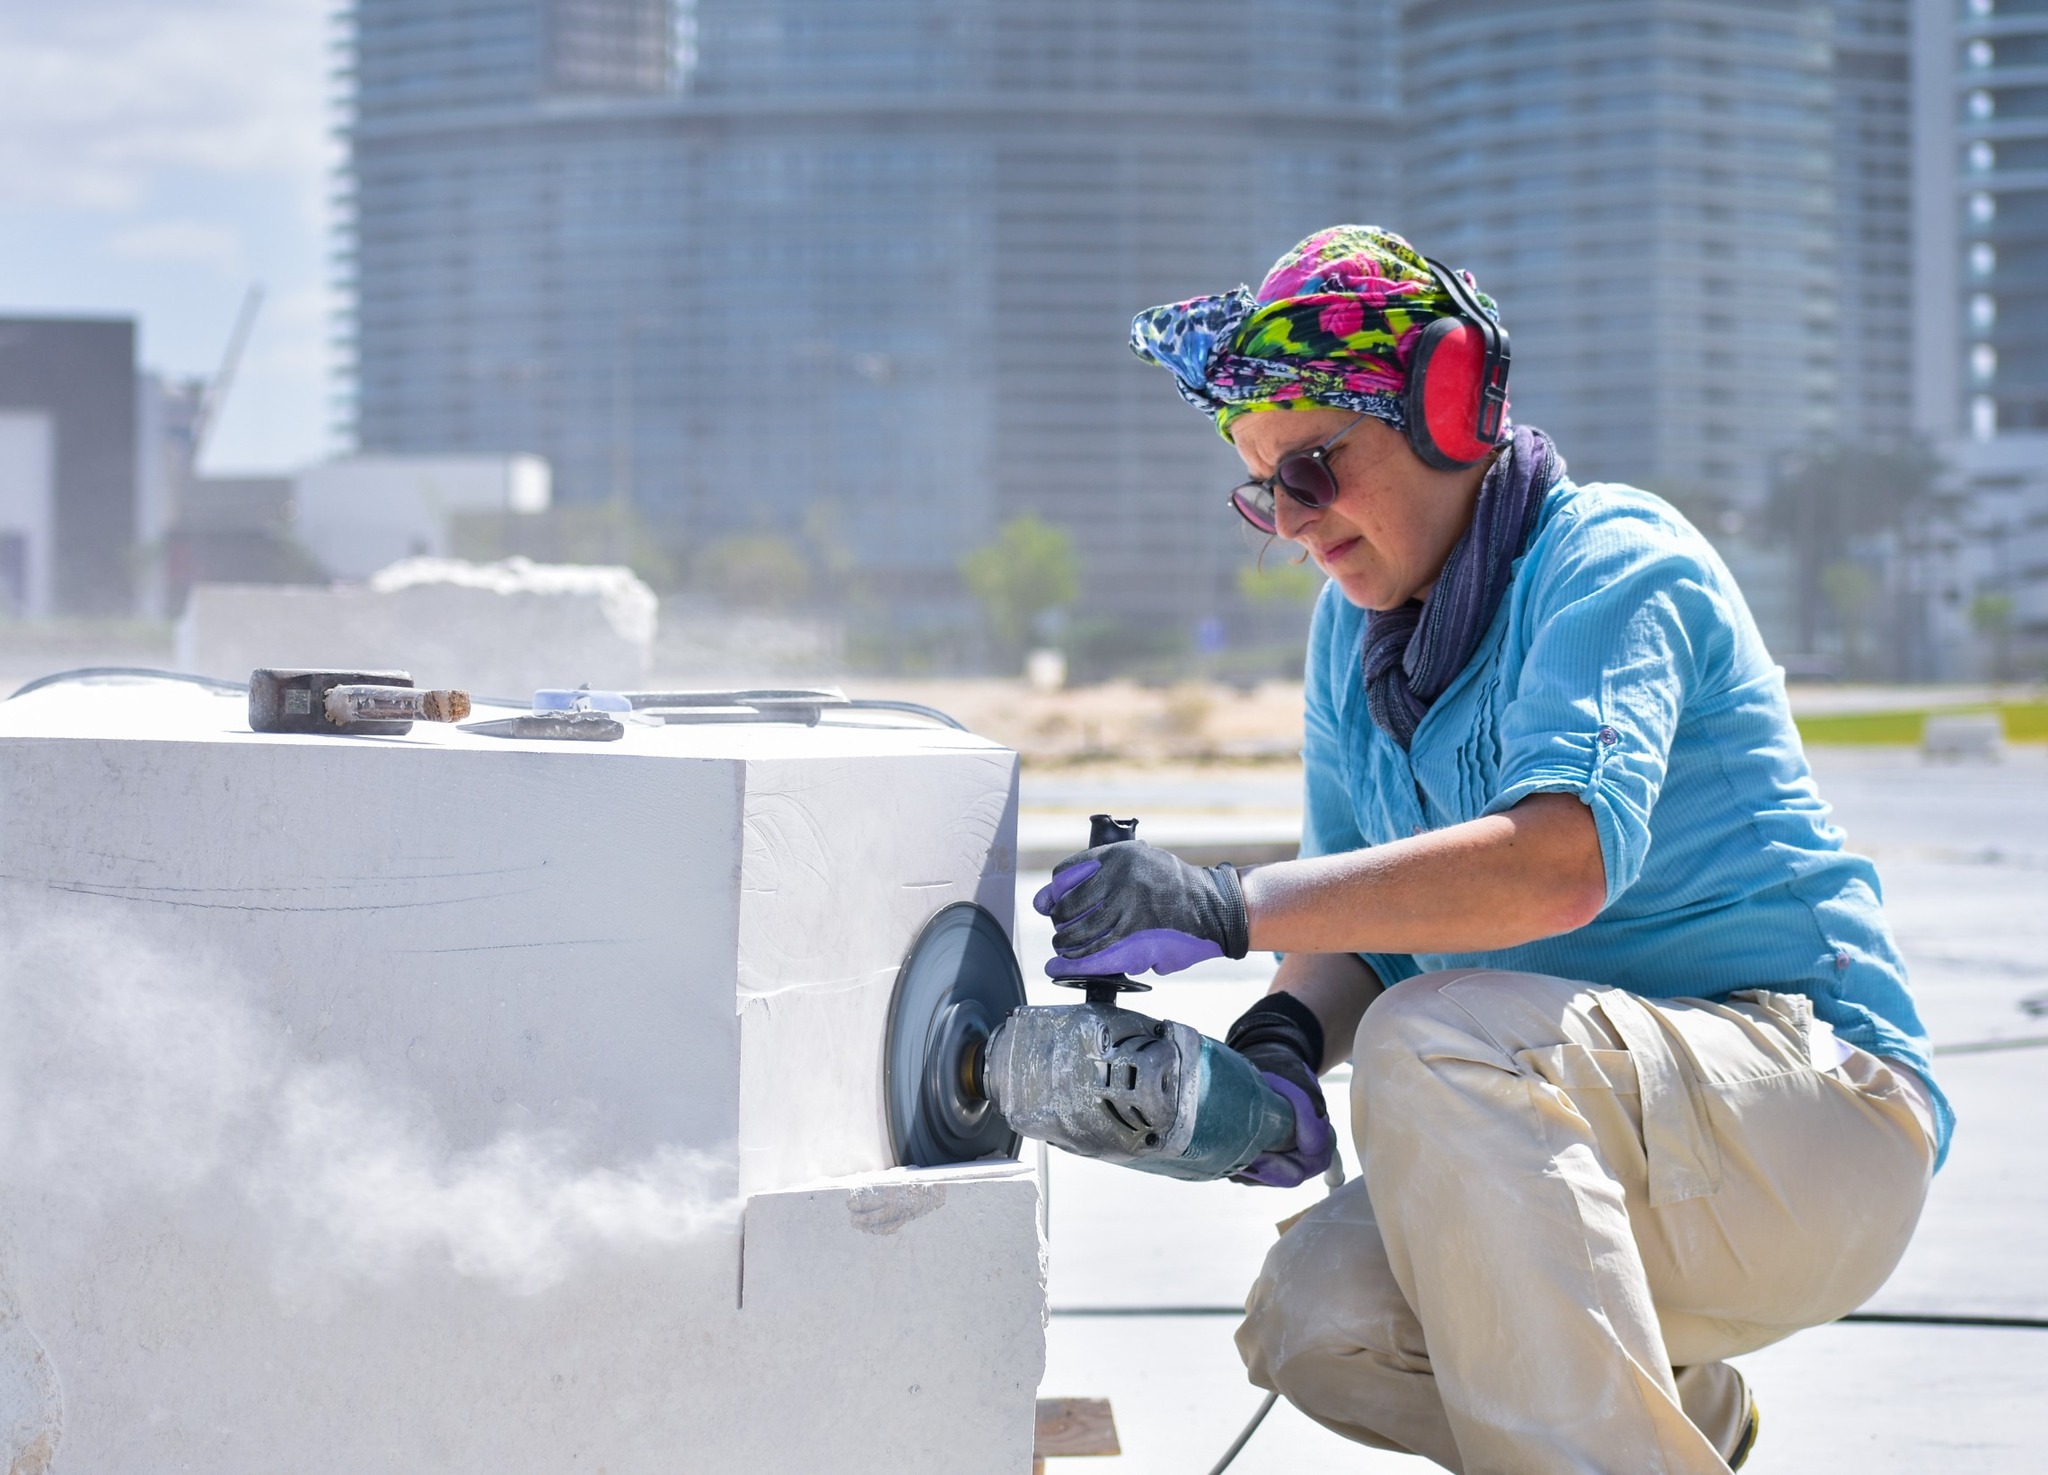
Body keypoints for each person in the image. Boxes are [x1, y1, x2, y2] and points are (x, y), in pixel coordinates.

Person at [1032, 226, 1948, 1474]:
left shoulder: (1609, 563)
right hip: (1604, 1122)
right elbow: (1356, 927)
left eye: (1312, 465)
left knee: (1437, 1033)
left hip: (1812, 1116)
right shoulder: (1352, 643)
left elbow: (1553, 863)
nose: (1296, 521)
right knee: (1319, 1317)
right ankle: (1682, 1432)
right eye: (1264, 490)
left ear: (1448, 401)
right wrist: (1282, 1044)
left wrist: (1221, 901)